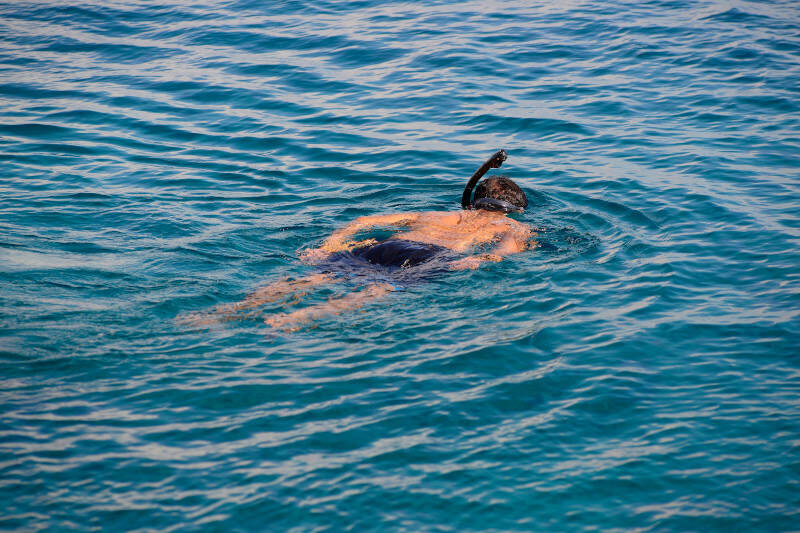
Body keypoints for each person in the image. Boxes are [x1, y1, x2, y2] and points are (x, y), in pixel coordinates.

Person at [192, 150, 536, 331]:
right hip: (429, 256)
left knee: (312, 277)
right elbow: (507, 250)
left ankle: (225, 312)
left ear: (475, 199)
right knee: (377, 290)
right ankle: (291, 321)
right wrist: (478, 260)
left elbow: (364, 220)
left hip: (386, 245)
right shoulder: (513, 227)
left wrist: (329, 245)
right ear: (512, 209)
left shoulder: (432, 215)